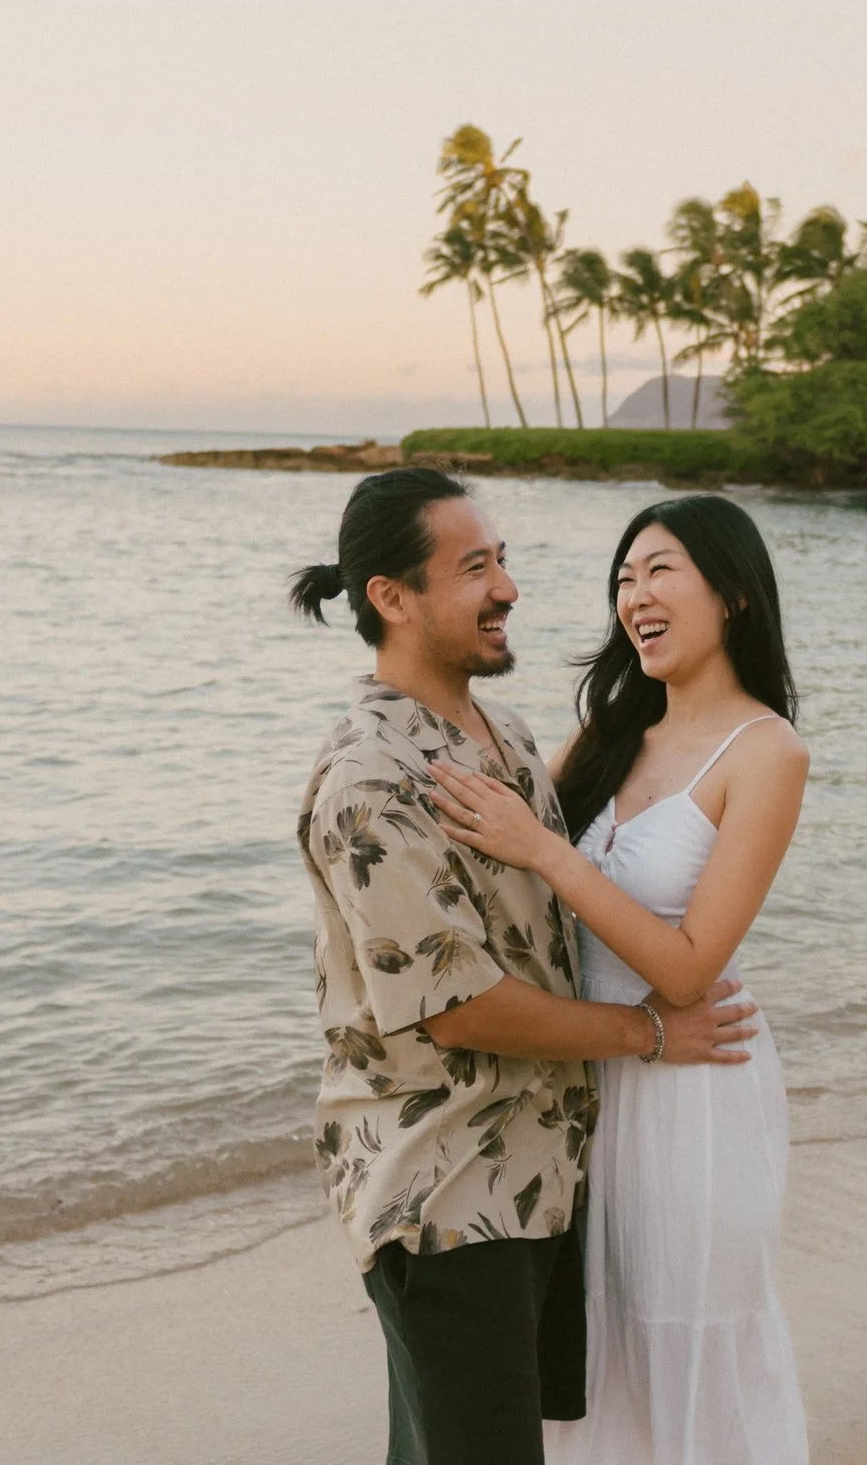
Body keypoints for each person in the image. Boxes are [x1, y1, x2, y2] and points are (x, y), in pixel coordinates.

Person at [290, 467, 762, 1465]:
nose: (507, 587)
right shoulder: (368, 779)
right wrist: (652, 1033)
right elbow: (459, 1008)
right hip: (447, 1193)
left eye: (502, 560)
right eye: (476, 568)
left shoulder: (504, 737)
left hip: (540, 1174)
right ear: (392, 597)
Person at [425, 494, 811, 1465]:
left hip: (693, 1087)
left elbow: (687, 968)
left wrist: (546, 851)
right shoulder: (609, 732)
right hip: (585, 1080)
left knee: (689, 1345)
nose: (634, 595)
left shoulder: (766, 750)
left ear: (733, 593)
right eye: (624, 579)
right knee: (603, 1355)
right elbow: (503, 863)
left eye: (659, 569)